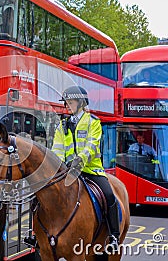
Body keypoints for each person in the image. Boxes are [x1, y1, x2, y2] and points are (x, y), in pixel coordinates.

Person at [51, 85, 120, 252]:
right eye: (65, 102)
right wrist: (57, 166)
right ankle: (36, 235)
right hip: (66, 172)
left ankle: (113, 236)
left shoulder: (93, 122)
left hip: (91, 170)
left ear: (80, 103)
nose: (66, 105)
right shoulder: (62, 125)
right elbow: (57, 149)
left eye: (70, 102)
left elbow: (92, 146)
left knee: (110, 196)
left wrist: (79, 160)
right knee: (44, 194)